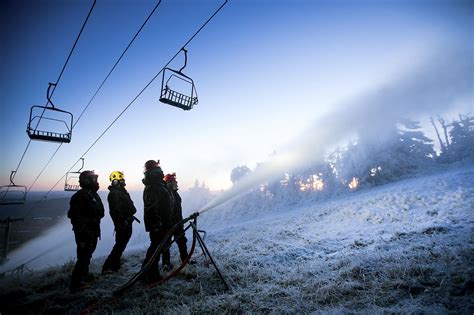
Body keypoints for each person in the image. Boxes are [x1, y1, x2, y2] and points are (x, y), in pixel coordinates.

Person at [67, 170, 104, 292]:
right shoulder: (79, 197)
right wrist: (84, 231)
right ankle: (76, 284)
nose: (96, 182)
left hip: (92, 231)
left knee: (87, 256)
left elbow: (101, 212)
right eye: (94, 179)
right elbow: (75, 217)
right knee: (83, 257)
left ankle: (84, 278)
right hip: (84, 233)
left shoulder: (93, 195)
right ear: (87, 181)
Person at [140, 160, 174, 283]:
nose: (160, 170)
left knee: (157, 248)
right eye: (157, 168)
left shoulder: (158, 184)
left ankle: (147, 272)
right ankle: (149, 274)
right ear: (153, 171)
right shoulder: (153, 186)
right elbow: (151, 207)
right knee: (155, 248)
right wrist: (156, 224)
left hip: (163, 223)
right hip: (158, 225)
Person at [102, 171, 138, 274]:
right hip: (123, 223)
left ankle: (115, 267)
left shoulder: (121, 192)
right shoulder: (115, 194)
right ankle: (108, 268)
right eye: (121, 180)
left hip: (126, 222)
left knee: (121, 246)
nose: (123, 182)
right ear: (115, 182)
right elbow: (115, 211)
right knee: (119, 246)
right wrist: (122, 222)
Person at [162, 173, 194, 270]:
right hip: (168, 225)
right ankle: (166, 264)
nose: (176, 183)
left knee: (182, 241)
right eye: (174, 181)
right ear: (169, 183)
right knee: (166, 244)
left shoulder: (175, 194)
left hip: (178, 223)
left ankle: (185, 260)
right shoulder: (165, 194)